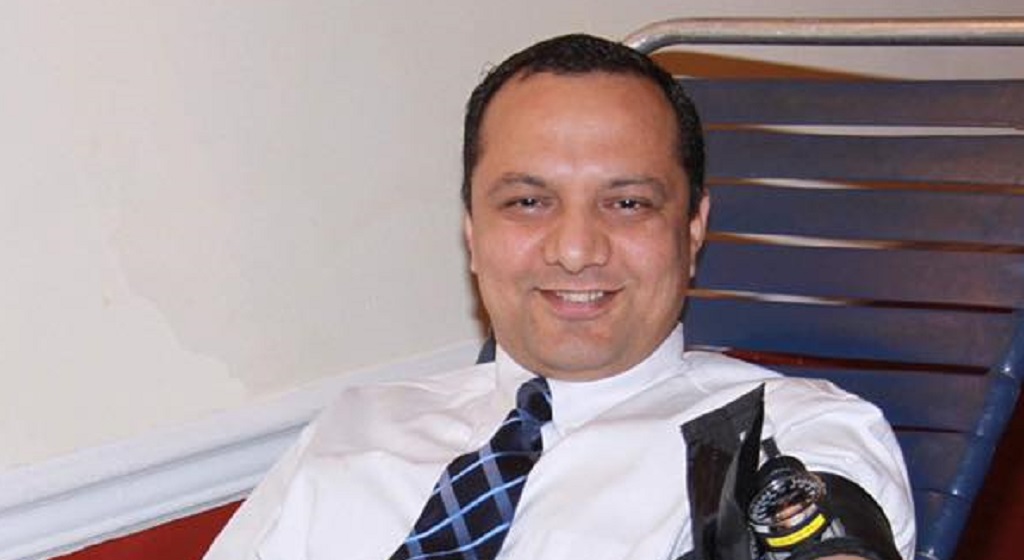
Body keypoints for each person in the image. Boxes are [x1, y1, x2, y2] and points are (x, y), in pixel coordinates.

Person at [204, 33, 914, 560]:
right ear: (472, 232)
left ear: (693, 228)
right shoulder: (355, 428)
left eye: (628, 203)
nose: (576, 250)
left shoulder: (782, 433)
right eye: (527, 202)